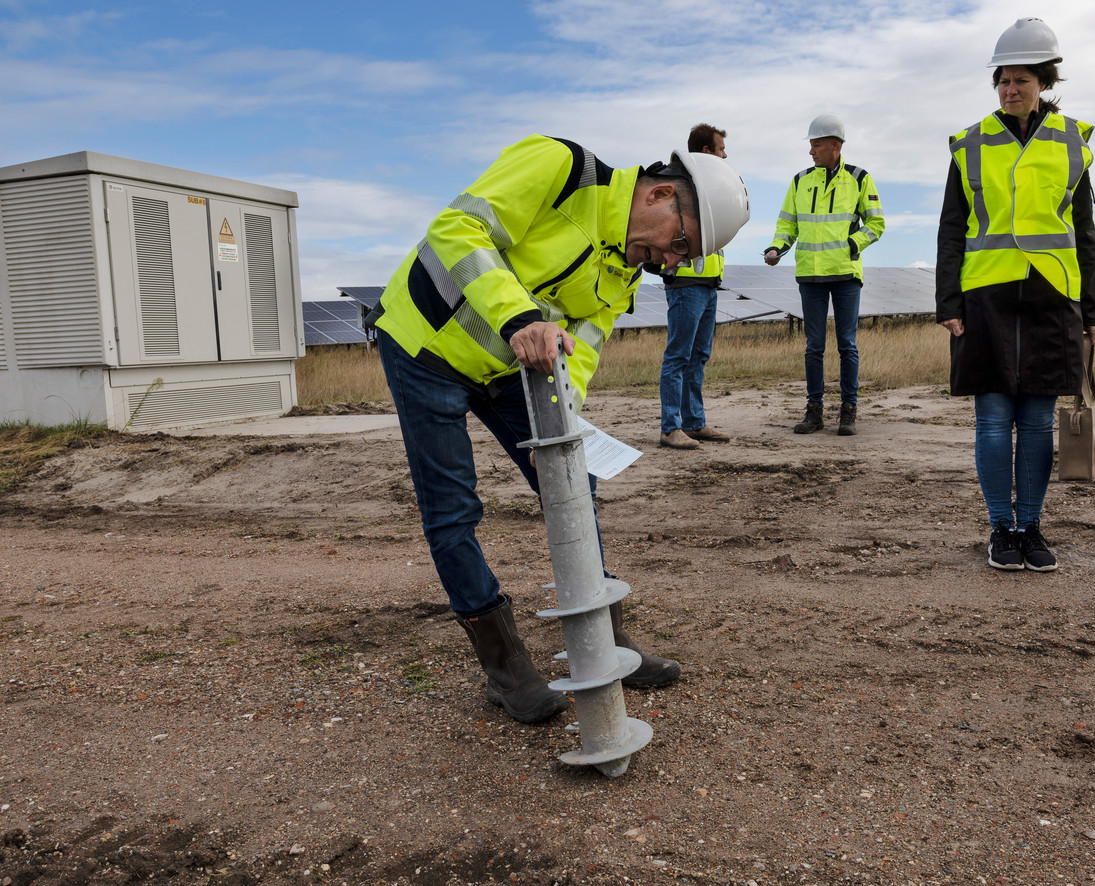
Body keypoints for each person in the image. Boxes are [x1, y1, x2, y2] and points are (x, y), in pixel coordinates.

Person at [370, 135, 749, 722]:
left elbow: (587, 342)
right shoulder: (560, 167)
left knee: (574, 486)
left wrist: (565, 413)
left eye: (683, 257)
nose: (671, 263)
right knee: (452, 509)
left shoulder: (627, 263)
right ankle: (504, 668)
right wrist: (519, 318)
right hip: (425, 349)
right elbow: (457, 232)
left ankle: (604, 643)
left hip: (513, 370)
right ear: (661, 194)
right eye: (679, 244)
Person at [935, 17, 1095, 572]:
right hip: (985, 296)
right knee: (991, 420)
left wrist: (1093, 308)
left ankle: (1030, 525)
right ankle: (999, 529)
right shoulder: (970, 144)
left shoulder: (1072, 142)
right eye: (1003, 80)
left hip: (1053, 296)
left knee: (1035, 422)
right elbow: (952, 229)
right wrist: (949, 304)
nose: (1011, 89)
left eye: (1022, 80)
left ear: (1044, 83)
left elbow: (1083, 232)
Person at [764, 114, 885, 437]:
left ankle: (848, 412)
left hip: (846, 274)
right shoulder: (799, 181)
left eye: (816, 144)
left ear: (836, 145)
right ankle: (814, 412)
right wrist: (777, 248)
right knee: (813, 346)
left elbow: (876, 225)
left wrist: (851, 243)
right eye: (811, 145)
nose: (811, 151)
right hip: (809, 275)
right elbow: (786, 225)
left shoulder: (860, 179)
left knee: (847, 345)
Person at [659, 123, 732, 450]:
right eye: (720, 149)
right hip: (685, 283)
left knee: (698, 356)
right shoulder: (680, 186)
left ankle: (694, 423)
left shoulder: (712, 189)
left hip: (708, 284)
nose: (725, 154)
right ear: (706, 151)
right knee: (679, 355)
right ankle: (670, 427)